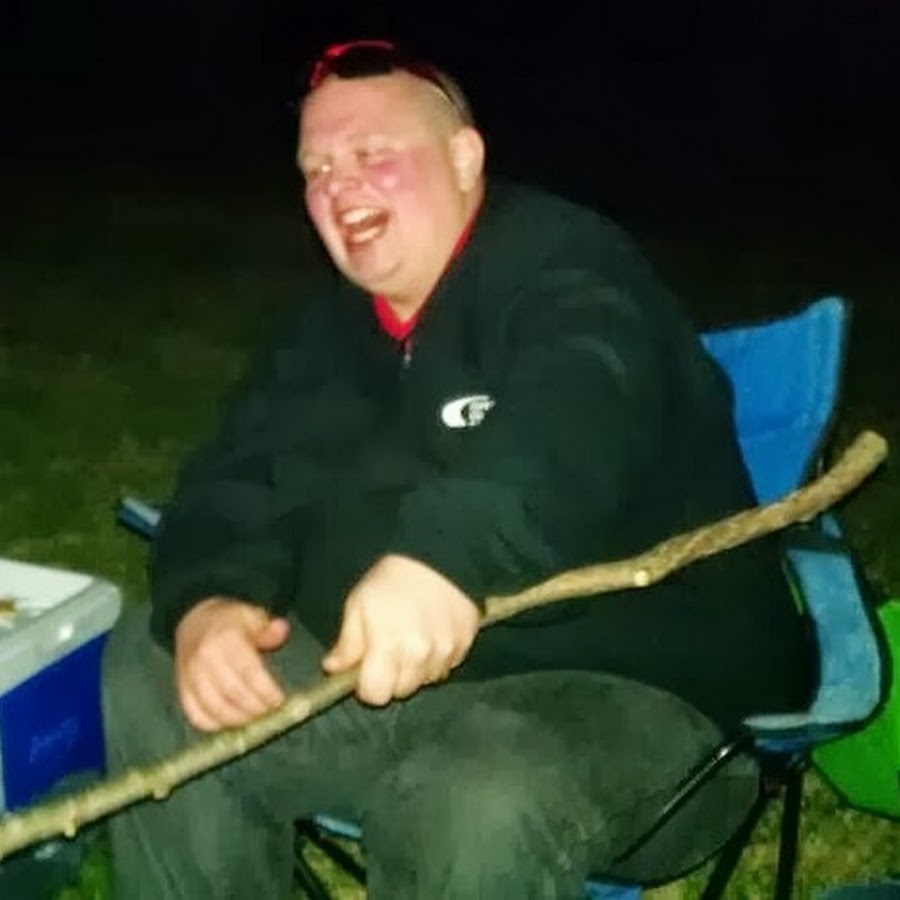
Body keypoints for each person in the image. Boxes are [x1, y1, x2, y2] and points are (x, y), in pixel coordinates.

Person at [102, 39, 815, 899]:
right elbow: (238, 478)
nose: (338, 185)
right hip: (389, 694)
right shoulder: (327, 332)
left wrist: (444, 558)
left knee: (468, 794)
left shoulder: (568, 264)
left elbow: (582, 406)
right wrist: (212, 599)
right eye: (317, 168)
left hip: (643, 704)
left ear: (465, 157)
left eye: (372, 153)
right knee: (154, 664)